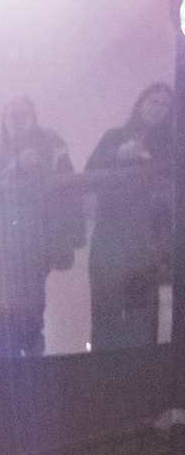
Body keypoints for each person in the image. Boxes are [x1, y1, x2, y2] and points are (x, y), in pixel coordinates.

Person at [0, 97, 82, 362]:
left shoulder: (52, 144)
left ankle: (33, 363)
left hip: (37, 240)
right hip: (3, 243)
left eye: (23, 114)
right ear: (4, 120)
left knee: (33, 305)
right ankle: (4, 366)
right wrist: (16, 165)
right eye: (12, 115)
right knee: (2, 309)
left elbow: (67, 183)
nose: (18, 120)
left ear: (33, 117)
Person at [85, 84, 174, 349]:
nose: (159, 108)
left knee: (143, 322)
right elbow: (88, 175)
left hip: (148, 243)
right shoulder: (114, 137)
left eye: (165, 104)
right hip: (109, 240)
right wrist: (118, 157)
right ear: (141, 103)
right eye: (153, 101)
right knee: (105, 318)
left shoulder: (172, 146)